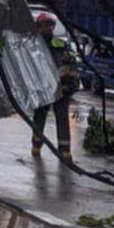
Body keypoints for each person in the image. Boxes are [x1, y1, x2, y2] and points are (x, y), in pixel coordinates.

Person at [32, 12, 78, 162]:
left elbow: (71, 61)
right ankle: (36, 146)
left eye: (50, 25)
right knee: (40, 116)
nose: (48, 28)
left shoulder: (59, 44)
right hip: (43, 88)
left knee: (62, 117)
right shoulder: (33, 45)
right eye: (45, 25)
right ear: (38, 27)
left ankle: (65, 151)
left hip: (60, 87)